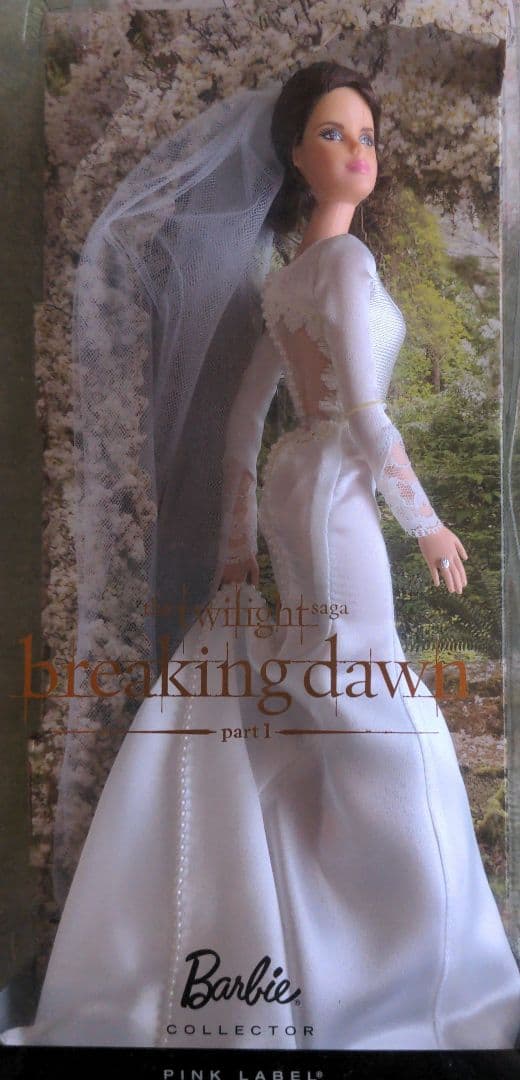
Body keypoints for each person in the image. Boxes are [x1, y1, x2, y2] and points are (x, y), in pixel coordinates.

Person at [2, 60, 520, 1051]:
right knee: (367, 703)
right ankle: (400, 963)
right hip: (336, 492)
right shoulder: (343, 267)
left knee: (328, 696)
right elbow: (364, 413)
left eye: (367, 136)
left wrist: (240, 551)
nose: (357, 152)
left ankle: (318, 929)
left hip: (298, 486)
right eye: (333, 134)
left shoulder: (283, 283)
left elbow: (244, 431)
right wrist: (426, 522)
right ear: (294, 153)